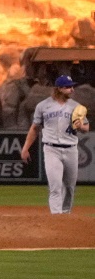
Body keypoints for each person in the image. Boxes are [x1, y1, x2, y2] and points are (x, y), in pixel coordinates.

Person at [21, 74, 87, 214]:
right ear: (59, 88)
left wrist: (81, 126)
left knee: (69, 187)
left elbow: (86, 128)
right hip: (51, 149)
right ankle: (57, 218)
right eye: (68, 87)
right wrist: (26, 148)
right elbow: (34, 128)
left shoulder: (77, 107)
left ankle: (65, 214)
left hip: (71, 149)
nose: (72, 89)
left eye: (72, 86)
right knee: (55, 186)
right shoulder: (43, 106)